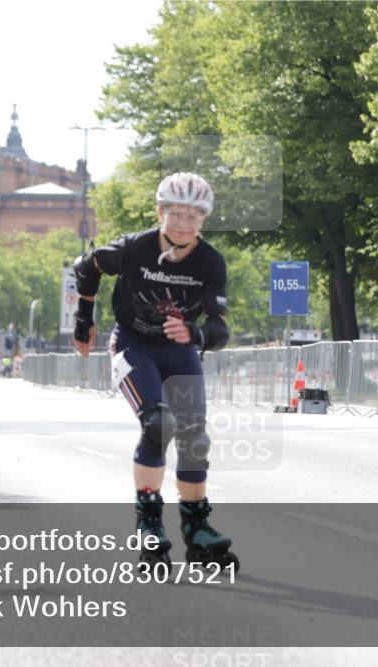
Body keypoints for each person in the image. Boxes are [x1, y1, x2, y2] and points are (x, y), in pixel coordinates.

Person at [72, 172, 237, 571]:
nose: (183, 224)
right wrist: (83, 320)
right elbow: (86, 266)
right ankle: (148, 522)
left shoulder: (211, 261)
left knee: (195, 435)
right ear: (160, 212)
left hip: (178, 352)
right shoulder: (134, 248)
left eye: (193, 217)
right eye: (175, 214)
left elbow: (219, 327)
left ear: (203, 220)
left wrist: (195, 332)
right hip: (133, 344)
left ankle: (196, 527)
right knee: (158, 423)